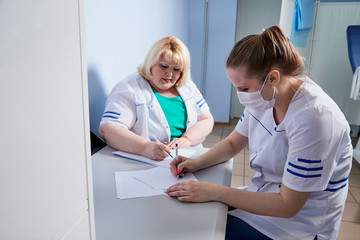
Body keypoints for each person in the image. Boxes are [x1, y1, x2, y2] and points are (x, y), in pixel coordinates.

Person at [166, 26, 353, 240]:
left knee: (200, 231)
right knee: (196, 216)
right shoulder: (266, 98)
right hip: (266, 197)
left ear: (273, 78)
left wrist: (213, 191)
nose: (240, 96)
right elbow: (233, 143)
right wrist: (196, 162)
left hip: (298, 226)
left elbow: (287, 206)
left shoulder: (315, 119)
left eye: (244, 89)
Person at [99, 36, 214, 160]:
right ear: (151, 63)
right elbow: (108, 130)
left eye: (176, 69)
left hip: (187, 155)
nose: (169, 74)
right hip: (146, 161)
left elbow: (206, 119)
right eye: (164, 66)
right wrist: (146, 148)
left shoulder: (187, 86)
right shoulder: (129, 87)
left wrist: (187, 140)